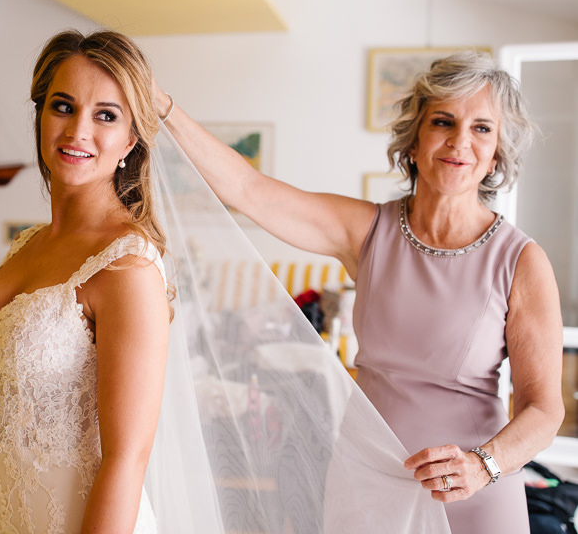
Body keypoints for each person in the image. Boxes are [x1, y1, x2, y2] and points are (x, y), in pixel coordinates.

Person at [153, 51, 564, 533]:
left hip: (473, 492)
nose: (459, 141)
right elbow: (249, 190)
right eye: (444, 121)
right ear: (414, 141)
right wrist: (161, 105)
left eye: (481, 129)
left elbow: (544, 409)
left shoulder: (522, 261)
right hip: (367, 482)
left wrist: (483, 465)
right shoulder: (367, 230)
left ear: (497, 153)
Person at [0, 30, 172, 533]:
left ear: (131, 140)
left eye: (105, 115)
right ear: (41, 117)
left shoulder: (126, 267)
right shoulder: (25, 245)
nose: (77, 131)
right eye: (62, 106)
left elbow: (126, 460)